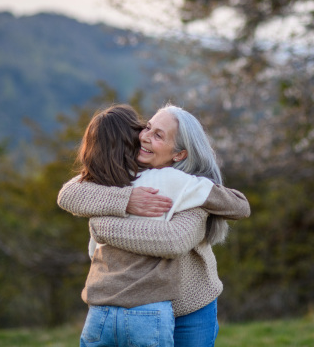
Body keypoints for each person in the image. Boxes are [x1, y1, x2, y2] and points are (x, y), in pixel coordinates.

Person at [59, 104, 250, 347]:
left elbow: (173, 241)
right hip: (142, 305)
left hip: (189, 306)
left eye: (158, 135)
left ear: (179, 154)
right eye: (147, 127)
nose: (145, 137)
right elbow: (69, 193)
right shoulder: (122, 172)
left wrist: (102, 226)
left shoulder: (189, 190)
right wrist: (126, 200)